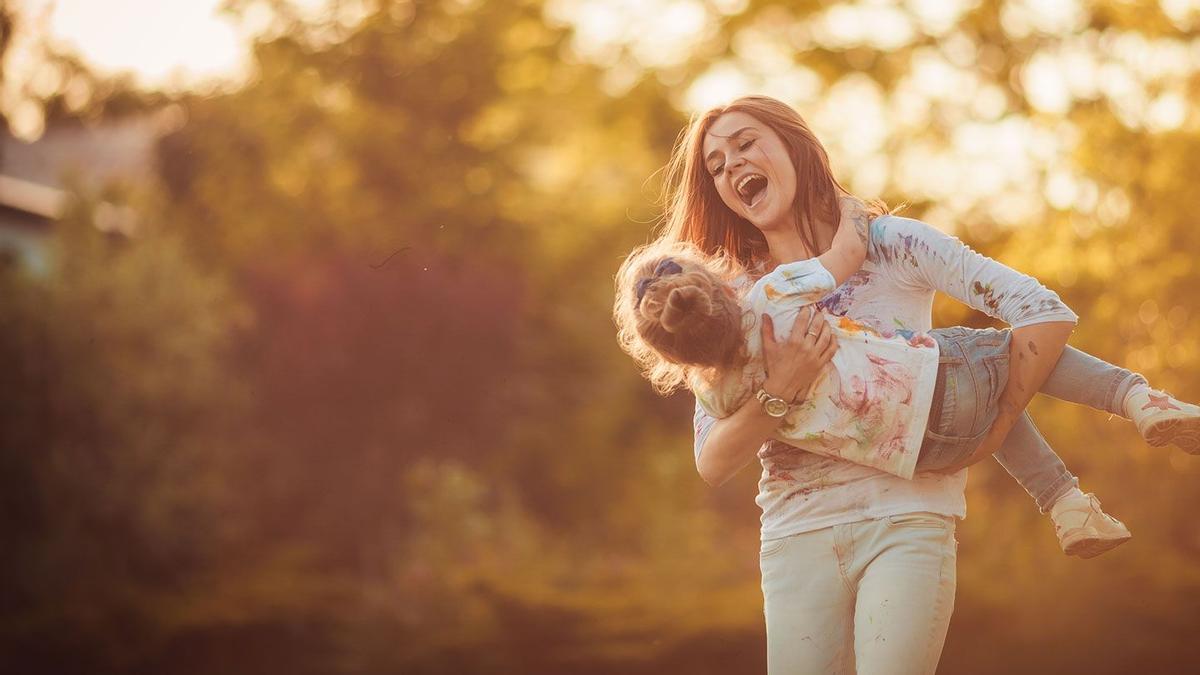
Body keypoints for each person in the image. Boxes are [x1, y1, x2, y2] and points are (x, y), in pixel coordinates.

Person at [615, 94, 1181, 674]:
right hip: (797, 534)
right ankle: (1089, 465)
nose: (731, 166)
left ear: (794, 145)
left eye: (744, 144)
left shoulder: (891, 244)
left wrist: (998, 426)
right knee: (974, 364)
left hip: (909, 517)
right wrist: (781, 388)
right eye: (715, 165)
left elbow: (1042, 313)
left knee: (972, 365)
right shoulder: (731, 298)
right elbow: (712, 460)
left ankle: (1123, 416)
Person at [613, 199, 1198, 549]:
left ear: (673, 357)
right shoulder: (772, 293)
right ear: (717, 283)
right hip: (933, 381)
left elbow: (715, 459)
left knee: (991, 395)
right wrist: (850, 212)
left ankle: (1069, 507)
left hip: (917, 456)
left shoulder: (716, 397)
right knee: (1003, 353)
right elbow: (846, 255)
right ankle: (1140, 400)